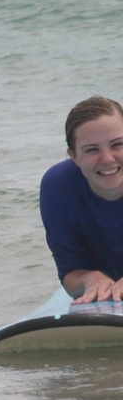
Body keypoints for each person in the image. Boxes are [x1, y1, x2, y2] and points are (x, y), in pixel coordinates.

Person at [40, 95, 123, 304]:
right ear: (73, 155)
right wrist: (88, 278)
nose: (107, 159)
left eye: (117, 145)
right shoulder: (58, 186)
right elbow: (69, 273)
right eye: (92, 149)